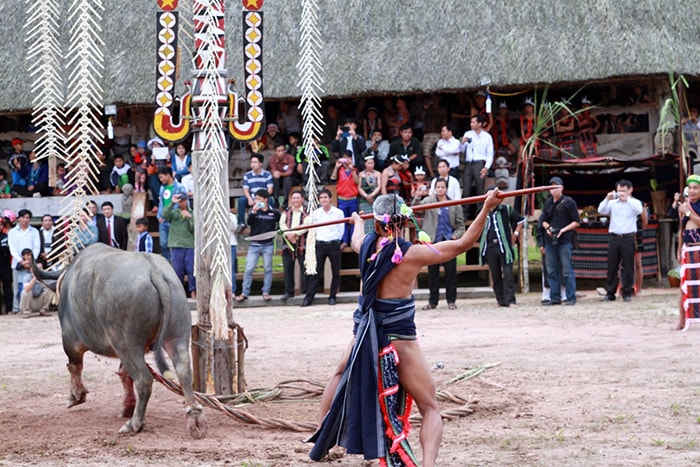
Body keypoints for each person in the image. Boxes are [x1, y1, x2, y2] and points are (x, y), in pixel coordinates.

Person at [308, 189, 503, 467]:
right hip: (400, 341)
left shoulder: (365, 245)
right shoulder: (413, 254)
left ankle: (321, 438)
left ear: (377, 224)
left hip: (366, 336)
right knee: (430, 407)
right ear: (406, 223)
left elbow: (354, 239)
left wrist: (356, 222)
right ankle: (428, 465)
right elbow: (462, 244)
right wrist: (486, 206)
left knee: (340, 373)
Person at [420, 178, 464, 310]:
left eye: (442, 187)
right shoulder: (429, 201)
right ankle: (433, 301)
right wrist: (417, 196)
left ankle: (451, 301)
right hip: (433, 242)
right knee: (433, 274)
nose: (440, 189)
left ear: (446, 188)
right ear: (434, 188)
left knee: (451, 273)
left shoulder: (454, 204)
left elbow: (460, 225)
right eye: (438, 187)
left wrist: (456, 236)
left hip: (448, 242)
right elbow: (417, 208)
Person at [597, 179, 643, 302]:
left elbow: (639, 210)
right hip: (614, 237)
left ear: (630, 190)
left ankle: (627, 292)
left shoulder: (634, 202)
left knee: (628, 266)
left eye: (624, 191)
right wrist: (607, 198)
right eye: (619, 191)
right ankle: (610, 293)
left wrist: (626, 199)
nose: (621, 193)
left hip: (628, 237)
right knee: (612, 266)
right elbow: (601, 210)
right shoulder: (613, 203)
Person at [539, 177, 580, 306]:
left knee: (567, 271)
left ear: (561, 188)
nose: (554, 190)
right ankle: (554, 297)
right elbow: (543, 220)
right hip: (550, 241)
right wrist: (549, 228)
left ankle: (570, 297)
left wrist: (563, 230)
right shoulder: (548, 203)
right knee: (551, 271)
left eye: (556, 187)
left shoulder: (569, 202)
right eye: (551, 187)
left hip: (565, 240)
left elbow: (576, 221)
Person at [478, 192, 525, 307]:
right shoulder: (483, 212)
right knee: (495, 275)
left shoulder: (505, 209)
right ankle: (500, 300)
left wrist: (515, 233)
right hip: (490, 246)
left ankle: (511, 300)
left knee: (508, 274)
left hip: (503, 245)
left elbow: (521, 220)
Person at [301, 189, 344, 307]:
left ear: (330, 198)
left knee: (335, 272)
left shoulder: (338, 212)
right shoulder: (316, 213)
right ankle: (309, 298)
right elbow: (313, 229)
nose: (323, 200)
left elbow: (341, 228)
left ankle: (332, 296)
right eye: (321, 198)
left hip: (334, 244)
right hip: (320, 244)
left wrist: (337, 239)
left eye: (325, 197)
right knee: (315, 272)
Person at [236, 190, 280, 302]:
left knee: (268, 269)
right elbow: (249, 223)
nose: (257, 201)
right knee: (248, 269)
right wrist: (254, 212)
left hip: (268, 245)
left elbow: (279, 222)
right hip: (254, 245)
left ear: (266, 199)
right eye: (256, 199)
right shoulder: (253, 210)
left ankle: (266, 292)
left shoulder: (273, 212)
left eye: (259, 199)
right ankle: (244, 292)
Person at [676, 174, 700, 330]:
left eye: (695, 188)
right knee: (683, 285)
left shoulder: (688, 208)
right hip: (688, 247)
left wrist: (688, 212)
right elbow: (681, 229)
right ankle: (682, 320)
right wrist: (678, 250)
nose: (692, 191)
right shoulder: (685, 205)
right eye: (690, 188)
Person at [163, 193, 196, 298]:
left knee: (191, 270)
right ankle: (179, 294)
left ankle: (193, 292)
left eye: (182, 201)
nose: (181, 203)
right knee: (177, 270)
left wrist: (190, 218)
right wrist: (172, 203)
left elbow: (194, 229)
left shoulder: (192, 213)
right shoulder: (174, 214)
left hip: (189, 244)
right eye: (179, 201)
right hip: (176, 244)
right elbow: (164, 214)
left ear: (186, 201)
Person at [461, 114, 494, 218]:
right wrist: (462, 143)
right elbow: (462, 151)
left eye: (474, 122)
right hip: (468, 164)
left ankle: (480, 213)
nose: (471, 124)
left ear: (480, 124)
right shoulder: (468, 134)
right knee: (466, 189)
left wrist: (486, 167)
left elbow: (490, 154)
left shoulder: (487, 137)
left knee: (480, 189)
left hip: (479, 163)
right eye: (471, 122)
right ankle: (465, 214)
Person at [7, 209, 40, 313]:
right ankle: (16, 308)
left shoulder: (34, 231)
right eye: (23, 217)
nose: (25, 220)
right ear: (19, 218)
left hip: (31, 263)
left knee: (31, 285)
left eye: (27, 218)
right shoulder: (12, 232)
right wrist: (21, 261)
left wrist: (30, 261)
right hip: (17, 263)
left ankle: (27, 308)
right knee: (16, 288)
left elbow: (37, 247)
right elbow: (12, 249)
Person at [279, 190, 311, 300]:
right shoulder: (286, 212)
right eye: (294, 198)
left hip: (302, 244)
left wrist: (295, 233)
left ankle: (308, 292)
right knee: (288, 269)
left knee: (305, 268)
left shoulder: (307, 211)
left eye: (298, 198)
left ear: (302, 199)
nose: (296, 200)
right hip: (288, 243)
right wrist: (288, 234)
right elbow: (282, 224)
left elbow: (307, 224)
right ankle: (289, 292)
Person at [156, 167, 187, 261]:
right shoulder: (162, 188)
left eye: (162, 177)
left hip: (174, 219)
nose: (161, 180)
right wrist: (159, 215)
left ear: (168, 175)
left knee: (176, 244)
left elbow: (184, 204)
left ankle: (177, 264)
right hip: (163, 219)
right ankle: (168, 263)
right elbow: (161, 203)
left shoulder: (180, 187)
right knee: (163, 243)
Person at [236, 153, 273, 232]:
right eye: (251, 162)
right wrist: (250, 199)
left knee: (270, 200)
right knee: (241, 200)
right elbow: (245, 189)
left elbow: (270, 190)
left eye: (255, 162)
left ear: (260, 164)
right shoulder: (247, 175)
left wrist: (260, 199)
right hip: (252, 198)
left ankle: (272, 221)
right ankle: (241, 223)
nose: (253, 164)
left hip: (263, 199)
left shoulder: (267, 174)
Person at [330, 151, 359, 248]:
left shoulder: (355, 169)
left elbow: (357, 181)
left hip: (352, 199)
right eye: (345, 158)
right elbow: (333, 178)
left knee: (353, 221)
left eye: (349, 158)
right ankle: (345, 241)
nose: (347, 160)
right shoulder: (339, 169)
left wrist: (352, 170)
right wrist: (336, 167)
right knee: (344, 222)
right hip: (342, 199)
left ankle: (352, 241)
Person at [357, 155, 381, 233]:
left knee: (375, 219)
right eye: (369, 163)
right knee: (366, 219)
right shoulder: (361, 174)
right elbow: (359, 187)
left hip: (375, 199)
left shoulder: (378, 173)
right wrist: (366, 196)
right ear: (365, 164)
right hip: (364, 200)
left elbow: (379, 186)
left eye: (372, 163)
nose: (371, 165)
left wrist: (372, 195)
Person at [268, 143, 297, 208]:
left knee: (287, 179)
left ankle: (286, 200)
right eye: (278, 151)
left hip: (290, 178)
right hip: (278, 178)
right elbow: (273, 170)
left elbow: (289, 172)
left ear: (285, 151)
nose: (281, 153)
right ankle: (276, 200)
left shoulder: (290, 158)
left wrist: (279, 174)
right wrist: (275, 173)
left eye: (282, 150)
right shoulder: (272, 158)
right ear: (275, 151)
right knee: (274, 179)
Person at [0, 215, 13, 314]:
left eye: (0, 224)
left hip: (5, 266)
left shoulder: (7, 236)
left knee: (7, 288)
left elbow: (9, 250)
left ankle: (9, 308)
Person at [228, 211, 239, 296]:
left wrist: (227, 216)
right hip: (218, 244)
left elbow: (233, 227)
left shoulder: (232, 216)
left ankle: (232, 290)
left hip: (231, 244)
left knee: (231, 268)